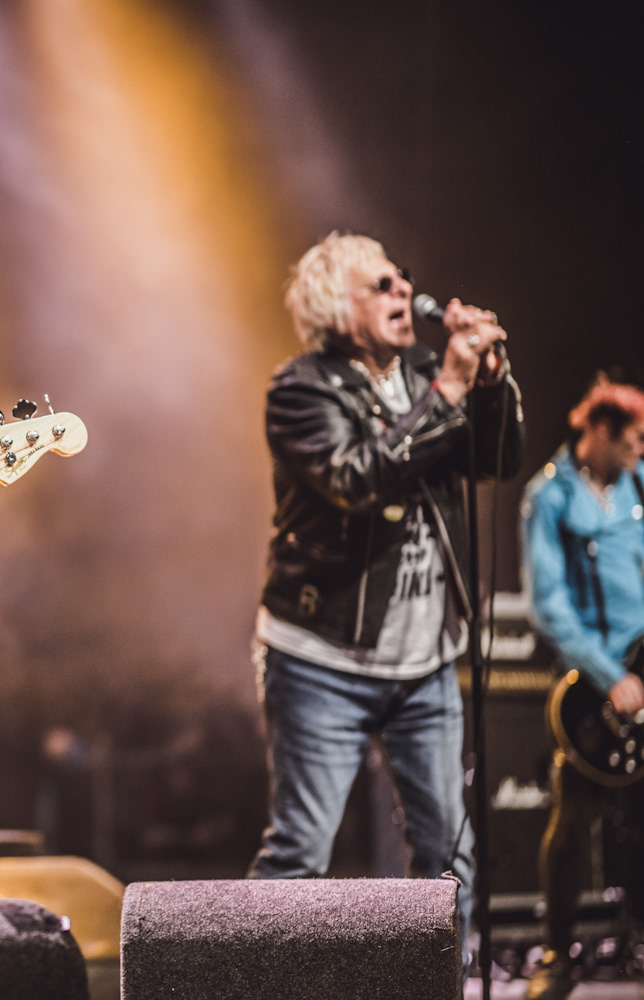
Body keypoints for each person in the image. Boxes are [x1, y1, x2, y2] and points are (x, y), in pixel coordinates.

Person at [246, 232, 524, 963]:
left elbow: (496, 461)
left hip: (425, 663)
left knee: (447, 861)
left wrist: (490, 382)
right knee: (299, 855)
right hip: (319, 661)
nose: (404, 292)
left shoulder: (430, 372)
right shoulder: (301, 390)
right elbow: (357, 479)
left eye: (404, 280)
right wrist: (453, 390)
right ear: (335, 305)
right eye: (382, 285)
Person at [521, 378, 644, 1000]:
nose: (640, 450)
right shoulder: (549, 496)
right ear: (600, 430)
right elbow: (548, 605)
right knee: (573, 822)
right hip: (593, 685)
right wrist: (610, 675)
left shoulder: (640, 486)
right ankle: (557, 954)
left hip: (642, 668)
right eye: (634, 438)